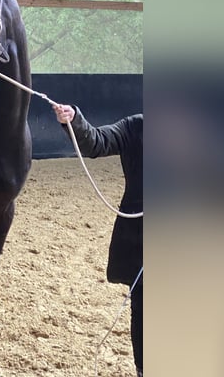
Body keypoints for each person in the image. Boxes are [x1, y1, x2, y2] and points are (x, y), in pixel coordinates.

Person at [52, 103, 143, 377]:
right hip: (142, 238)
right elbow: (96, 142)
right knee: (144, 306)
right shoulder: (136, 126)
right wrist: (74, 120)